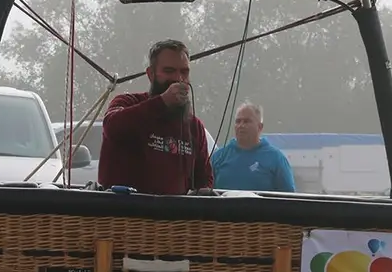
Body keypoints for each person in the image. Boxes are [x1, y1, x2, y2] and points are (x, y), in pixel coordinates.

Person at [96, 39, 214, 195]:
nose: (178, 78)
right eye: (169, 71)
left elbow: (204, 178)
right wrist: (162, 102)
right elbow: (112, 126)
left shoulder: (194, 127)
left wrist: (203, 192)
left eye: (184, 72)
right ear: (151, 74)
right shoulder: (126, 102)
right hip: (124, 215)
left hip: (174, 217)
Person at [210, 102, 296, 192]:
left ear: (260, 127)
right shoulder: (218, 157)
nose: (241, 125)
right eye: (238, 121)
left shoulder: (276, 159)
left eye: (246, 121)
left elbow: (289, 197)